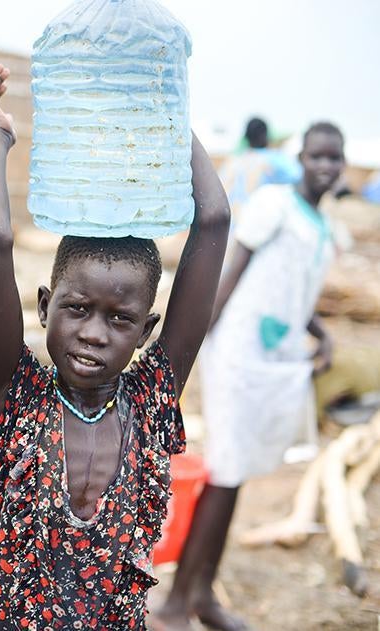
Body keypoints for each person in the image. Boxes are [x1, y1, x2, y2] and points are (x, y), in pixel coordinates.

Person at [0, 65, 230, 628]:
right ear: (43, 306)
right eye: (77, 308)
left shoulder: (151, 398)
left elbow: (215, 220)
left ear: (147, 330)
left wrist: (170, 117)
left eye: (120, 319)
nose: (93, 333)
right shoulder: (20, 395)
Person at [153, 122, 346, 631]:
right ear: (299, 158)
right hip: (238, 353)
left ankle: (200, 595)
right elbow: (233, 273)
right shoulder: (274, 206)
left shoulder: (322, 225)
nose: (326, 166)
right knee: (224, 472)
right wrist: (193, 347)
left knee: (234, 477)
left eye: (335, 158)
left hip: (275, 359)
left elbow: (291, 289)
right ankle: (176, 605)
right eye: (317, 156)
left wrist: (320, 334)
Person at [220, 117, 301, 220]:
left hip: (229, 226)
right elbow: (298, 176)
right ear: (265, 136)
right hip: (258, 224)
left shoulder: (232, 162)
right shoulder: (275, 159)